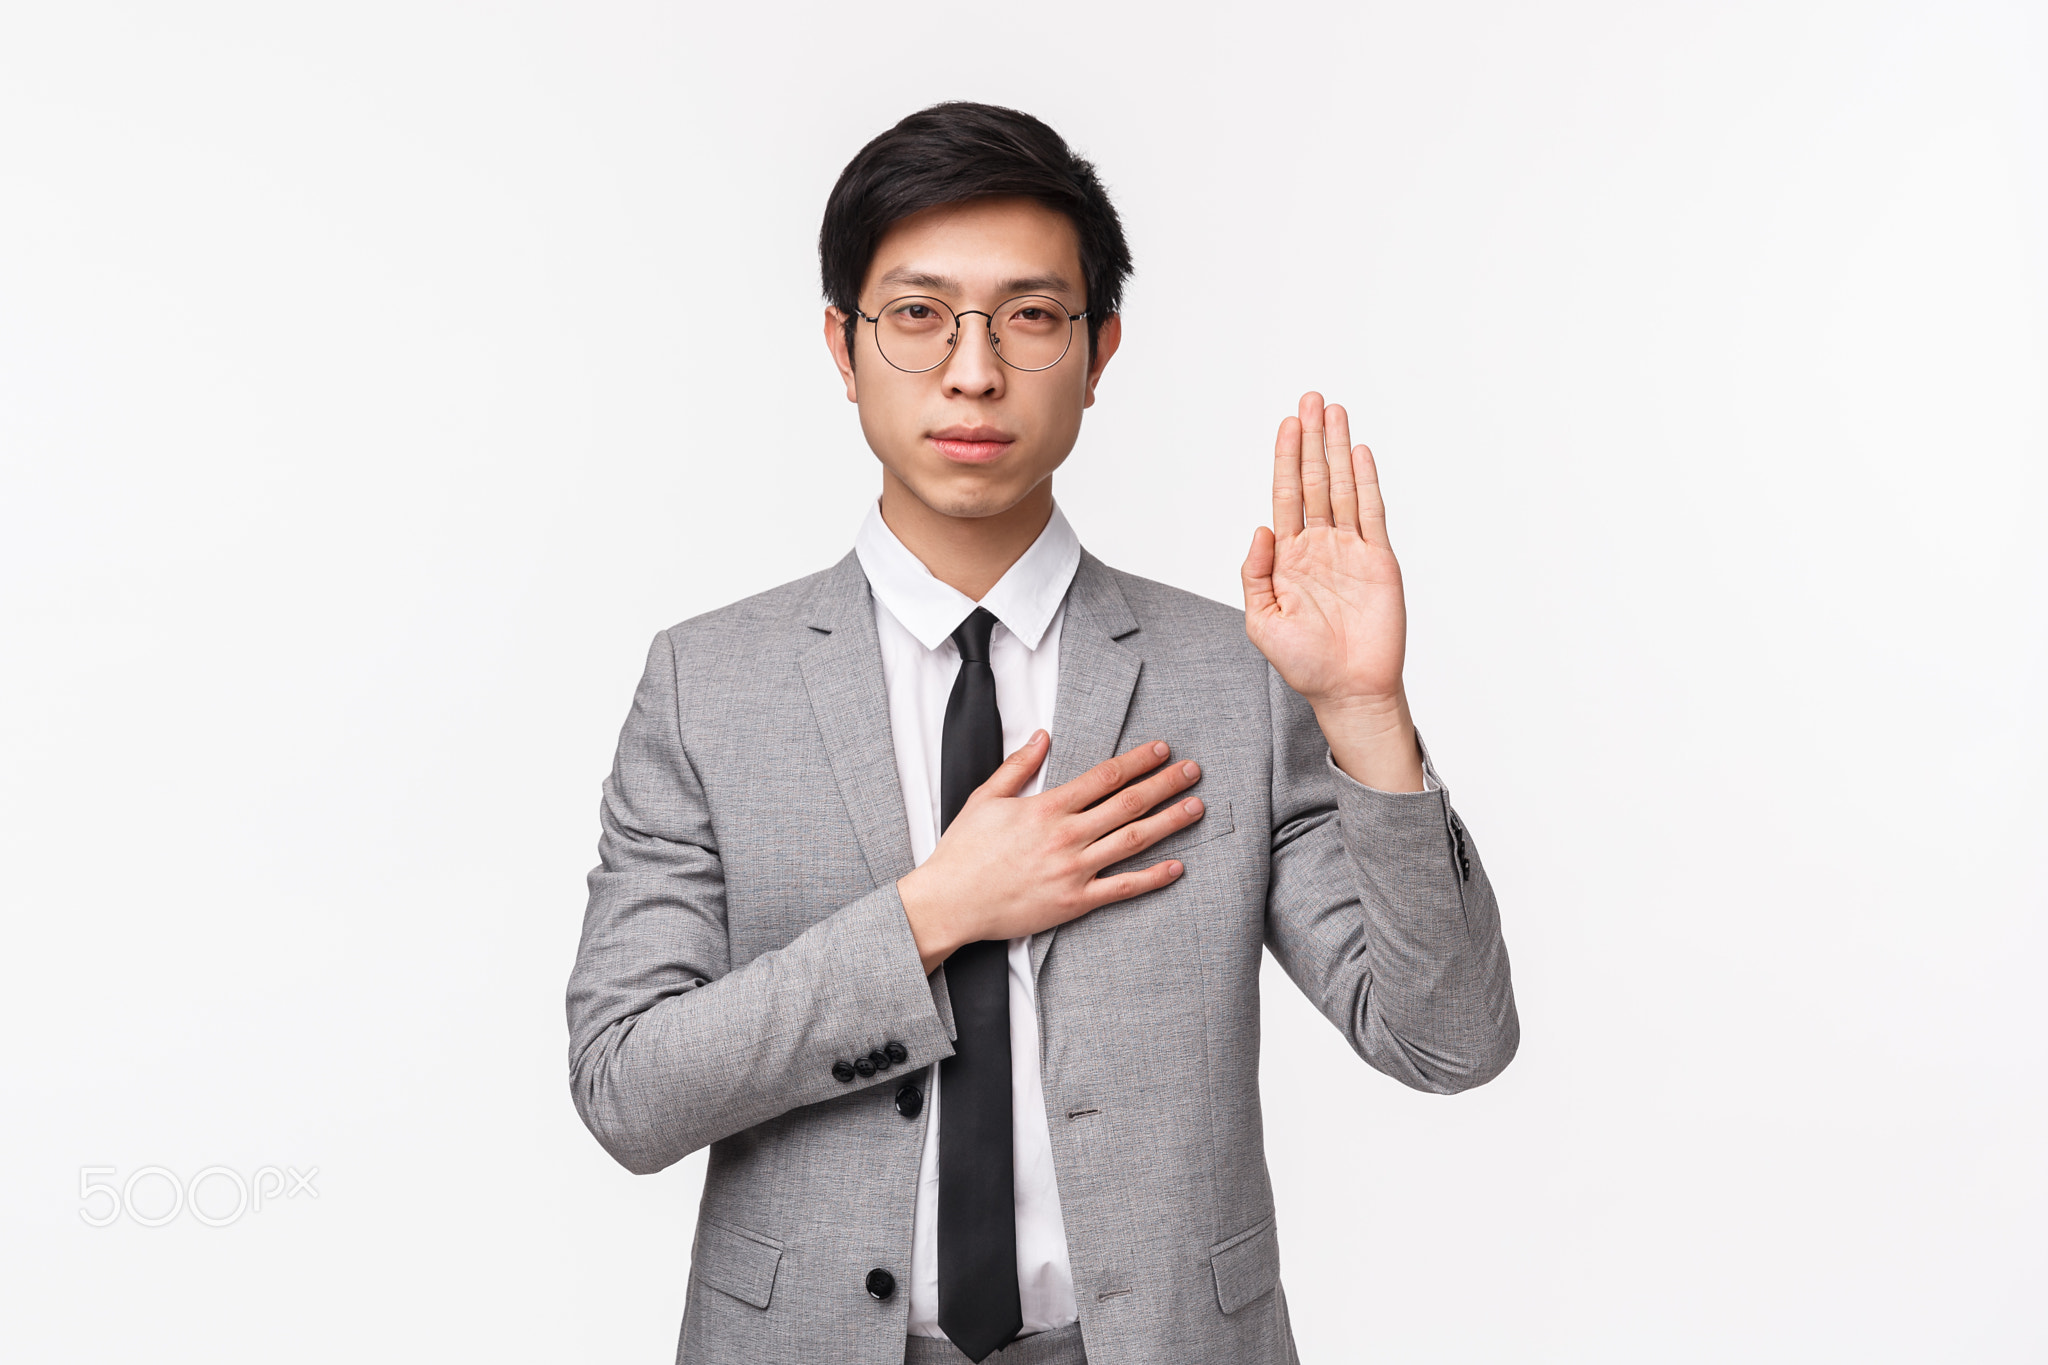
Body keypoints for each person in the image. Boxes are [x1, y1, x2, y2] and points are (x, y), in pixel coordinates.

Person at [565, 101, 1517, 1365]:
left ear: (1098, 349)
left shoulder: (1232, 677)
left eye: (1028, 315)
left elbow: (1446, 1043)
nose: (973, 369)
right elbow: (628, 1091)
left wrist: (1363, 715)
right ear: (843, 349)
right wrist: (929, 914)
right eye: (916, 316)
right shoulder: (706, 684)